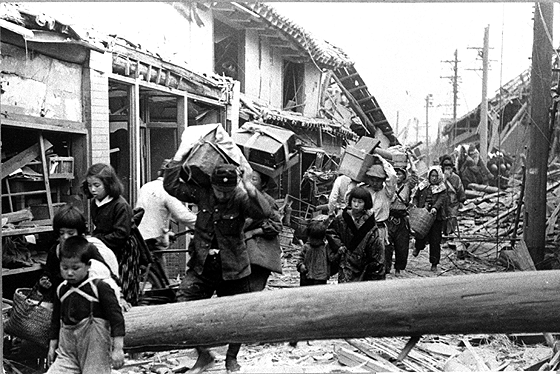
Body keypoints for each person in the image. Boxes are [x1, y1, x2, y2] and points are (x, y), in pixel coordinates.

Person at [163, 162, 271, 374]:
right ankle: (204, 353)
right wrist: (178, 160)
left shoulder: (240, 198)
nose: (222, 195)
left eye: (226, 192)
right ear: (211, 184)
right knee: (182, 305)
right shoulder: (202, 193)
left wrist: (250, 189)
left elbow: (263, 212)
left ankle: (231, 357)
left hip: (233, 267)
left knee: (238, 316)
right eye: (218, 191)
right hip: (202, 265)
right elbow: (172, 187)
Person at [47, 236, 125, 374]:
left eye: (75, 268)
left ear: (88, 265)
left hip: (95, 351)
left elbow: (116, 319)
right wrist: (52, 346)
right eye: (64, 267)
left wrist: (118, 349)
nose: (69, 272)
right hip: (67, 352)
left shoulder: (99, 287)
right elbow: (55, 321)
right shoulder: (61, 290)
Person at [39, 204, 126, 309]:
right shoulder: (56, 251)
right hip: (63, 301)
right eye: (62, 233)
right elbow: (49, 273)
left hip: (87, 301)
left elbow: (107, 273)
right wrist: (45, 281)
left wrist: (120, 297)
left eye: (71, 233)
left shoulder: (88, 249)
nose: (65, 237)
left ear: (79, 233)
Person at [82, 163, 137, 304]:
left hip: (122, 249)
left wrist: (97, 239)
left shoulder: (120, 205)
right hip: (106, 246)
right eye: (89, 186)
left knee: (122, 283)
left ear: (108, 184)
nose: (92, 189)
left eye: (96, 185)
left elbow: (121, 234)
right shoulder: (96, 203)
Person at [135, 160, 197, 271]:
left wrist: (167, 233)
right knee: (162, 281)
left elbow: (152, 215)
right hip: (153, 241)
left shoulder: (146, 186)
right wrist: (201, 224)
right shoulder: (167, 190)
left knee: (155, 276)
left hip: (140, 237)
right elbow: (182, 215)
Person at [326, 187, 385, 283]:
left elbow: (375, 246)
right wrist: (339, 246)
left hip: (363, 262)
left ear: (366, 203)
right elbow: (331, 231)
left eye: (360, 202)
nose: (356, 205)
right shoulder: (342, 218)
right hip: (346, 260)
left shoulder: (370, 223)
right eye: (354, 201)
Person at [412, 166, 448, 272]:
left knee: (435, 240)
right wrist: (415, 205)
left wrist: (435, 208)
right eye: (432, 176)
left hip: (435, 218)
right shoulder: (423, 185)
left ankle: (434, 263)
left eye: (436, 176)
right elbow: (416, 196)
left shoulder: (442, 188)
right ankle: (418, 247)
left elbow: (441, 200)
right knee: (420, 233)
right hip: (423, 214)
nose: (434, 178)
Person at [386, 163, 416, 276]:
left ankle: (399, 268)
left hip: (402, 219)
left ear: (404, 175)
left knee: (401, 245)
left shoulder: (407, 186)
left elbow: (414, 177)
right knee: (387, 245)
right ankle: (386, 268)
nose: (398, 176)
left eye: (400, 173)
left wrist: (411, 161)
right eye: (396, 173)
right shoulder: (388, 186)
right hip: (389, 218)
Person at [295, 220, 331, 286]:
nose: (314, 241)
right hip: (306, 276)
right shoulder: (306, 247)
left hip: (320, 278)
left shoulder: (325, 248)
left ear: (323, 238)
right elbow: (300, 258)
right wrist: (301, 266)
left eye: (317, 239)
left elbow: (331, 259)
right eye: (312, 238)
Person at [440, 155, 466, 236]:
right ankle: (444, 233)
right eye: (446, 168)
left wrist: (461, 200)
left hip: (453, 202)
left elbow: (460, 189)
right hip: (442, 203)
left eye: (449, 168)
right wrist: (444, 179)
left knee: (452, 219)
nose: (447, 170)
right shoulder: (440, 177)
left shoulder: (456, 178)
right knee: (443, 219)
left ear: (452, 168)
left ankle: (450, 234)